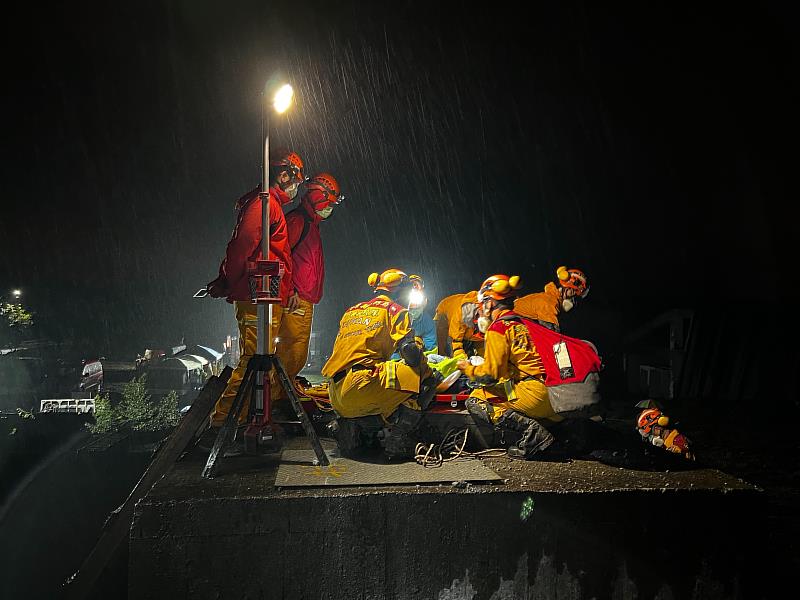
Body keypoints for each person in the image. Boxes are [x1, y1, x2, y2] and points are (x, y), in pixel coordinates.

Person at [205, 148, 305, 428]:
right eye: (295, 179)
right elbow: (241, 248)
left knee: (259, 359)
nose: (296, 187)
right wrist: (227, 280)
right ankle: (222, 423)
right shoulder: (264, 205)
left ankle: (244, 419)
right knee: (252, 360)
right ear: (283, 175)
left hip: (267, 295)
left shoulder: (268, 205)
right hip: (257, 296)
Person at [321, 268, 441, 458]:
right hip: (363, 385)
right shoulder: (396, 311)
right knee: (424, 376)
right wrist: (418, 349)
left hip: (335, 392)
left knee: (385, 380)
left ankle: (349, 427)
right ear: (400, 292)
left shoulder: (352, 311)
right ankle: (398, 440)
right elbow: (410, 354)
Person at [457, 274, 560, 459]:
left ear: (490, 303)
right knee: (504, 389)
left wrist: (467, 369)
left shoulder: (498, 328)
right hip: (554, 392)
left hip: (533, 394)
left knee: (476, 399)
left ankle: (533, 434)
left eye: (483, 304)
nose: (481, 310)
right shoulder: (525, 324)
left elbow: (489, 375)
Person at [272, 172, 343, 405]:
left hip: (303, 298)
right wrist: (290, 289)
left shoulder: (310, 223)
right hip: (296, 299)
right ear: (318, 196)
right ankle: (278, 403)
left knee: (295, 355)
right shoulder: (298, 221)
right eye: (329, 202)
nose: (330, 208)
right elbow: (281, 257)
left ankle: (282, 398)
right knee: (292, 355)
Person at [513, 266, 589, 332]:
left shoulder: (548, 297)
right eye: (573, 295)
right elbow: (553, 337)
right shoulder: (550, 304)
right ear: (568, 289)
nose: (572, 301)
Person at [390, 274, 436, 359]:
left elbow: (432, 348)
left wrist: (424, 357)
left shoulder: (427, 321)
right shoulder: (395, 319)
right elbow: (390, 348)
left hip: (419, 357)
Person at [432, 290, 484, 359]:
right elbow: (456, 342)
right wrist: (463, 362)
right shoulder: (460, 315)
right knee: (445, 350)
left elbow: (480, 341)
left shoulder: (488, 314)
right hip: (444, 312)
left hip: (467, 325)